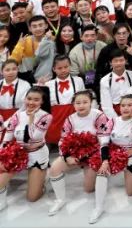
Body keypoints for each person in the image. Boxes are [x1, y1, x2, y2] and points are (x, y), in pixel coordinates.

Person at [47, 90, 111, 221]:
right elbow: (63, 140)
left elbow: (104, 138)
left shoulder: (99, 115)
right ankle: (60, 200)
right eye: (78, 103)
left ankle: (99, 199)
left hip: (94, 153)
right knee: (54, 168)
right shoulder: (70, 119)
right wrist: (66, 157)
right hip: (74, 153)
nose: (81, 105)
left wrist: (102, 159)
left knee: (88, 189)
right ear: (73, 104)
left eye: (85, 102)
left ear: (91, 102)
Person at [0, 85, 51, 210]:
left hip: (37, 155)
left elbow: (32, 137)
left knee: (32, 198)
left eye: (36, 100)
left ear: (42, 101)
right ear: (25, 99)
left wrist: (31, 120)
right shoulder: (18, 115)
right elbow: (7, 137)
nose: (31, 102)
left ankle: (42, 178)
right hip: (18, 153)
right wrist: (2, 155)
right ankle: (2, 200)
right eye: (29, 99)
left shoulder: (46, 117)